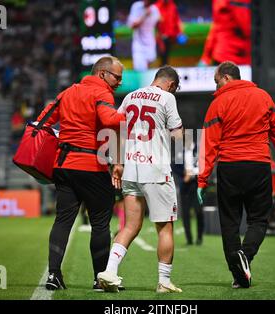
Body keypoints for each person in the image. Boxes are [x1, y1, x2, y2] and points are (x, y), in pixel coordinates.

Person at [197, 61, 275, 289]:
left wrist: (202, 180)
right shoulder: (264, 97)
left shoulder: (218, 103)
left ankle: (239, 269)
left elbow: (208, 146)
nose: (215, 87)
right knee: (259, 220)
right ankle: (245, 259)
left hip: (230, 167)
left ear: (227, 77)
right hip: (259, 166)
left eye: (216, 81)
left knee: (229, 223)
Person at [36, 56, 126, 291]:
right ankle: (100, 279)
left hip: (63, 166)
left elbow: (43, 121)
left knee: (63, 220)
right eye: (117, 77)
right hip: (91, 166)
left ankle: (54, 275)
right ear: (102, 74)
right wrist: (132, 114)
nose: (119, 82)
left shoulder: (67, 92)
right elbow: (110, 120)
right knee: (99, 224)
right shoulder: (102, 93)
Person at [97, 66, 183, 293]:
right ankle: (164, 282)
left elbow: (119, 130)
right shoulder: (167, 98)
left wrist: (117, 163)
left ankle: (110, 271)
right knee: (164, 227)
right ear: (171, 85)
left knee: (130, 225)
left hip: (131, 169)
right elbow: (178, 134)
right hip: (155, 170)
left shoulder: (130, 96)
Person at [199, 0, 251, 66]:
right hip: (239, 58)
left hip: (221, 56)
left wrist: (206, 57)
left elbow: (216, 29)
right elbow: (247, 28)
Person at [180, 140, 204, 245]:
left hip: (196, 183)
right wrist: (183, 174)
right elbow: (174, 166)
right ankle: (189, 239)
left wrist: (191, 173)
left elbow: (203, 164)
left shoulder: (198, 149)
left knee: (199, 211)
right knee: (185, 213)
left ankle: (199, 238)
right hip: (185, 185)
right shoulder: (179, 151)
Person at [127, 0, 161, 71]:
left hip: (150, 44)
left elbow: (158, 24)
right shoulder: (136, 6)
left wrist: (159, 38)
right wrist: (144, 15)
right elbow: (132, 26)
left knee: (150, 69)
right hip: (138, 45)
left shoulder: (155, 9)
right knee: (139, 70)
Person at [155, 0, 183, 66]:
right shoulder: (157, 6)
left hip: (170, 36)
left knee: (166, 56)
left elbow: (176, 20)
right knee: (160, 56)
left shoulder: (172, 5)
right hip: (160, 37)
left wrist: (179, 32)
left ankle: (165, 69)